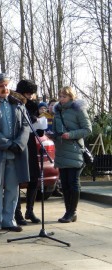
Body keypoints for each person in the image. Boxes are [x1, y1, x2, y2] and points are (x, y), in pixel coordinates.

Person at [0, 74, 30, 233]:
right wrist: (7, 144)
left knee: (12, 188)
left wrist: (19, 143)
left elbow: (26, 126)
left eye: (7, 85)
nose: (5, 89)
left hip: (16, 152)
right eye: (1, 86)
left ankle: (9, 220)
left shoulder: (18, 103)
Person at [52, 86, 92, 223]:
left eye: (64, 96)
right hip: (61, 150)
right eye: (60, 96)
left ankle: (72, 212)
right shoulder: (57, 111)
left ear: (71, 97)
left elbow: (87, 129)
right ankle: (67, 211)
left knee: (73, 182)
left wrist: (71, 135)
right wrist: (52, 135)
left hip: (75, 150)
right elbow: (56, 129)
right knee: (64, 183)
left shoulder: (78, 110)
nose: (61, 99)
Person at [14, 79, 42, 225]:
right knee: (18, 178)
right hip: (19, 143)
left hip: (31, 143)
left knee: (34, 177)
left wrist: (40, 125)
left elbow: (40, 131)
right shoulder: (15, 103)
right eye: (27, 93)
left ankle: (29, 210)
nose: (30, 96)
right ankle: (16, 211)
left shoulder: (33, 105)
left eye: (32, 94)